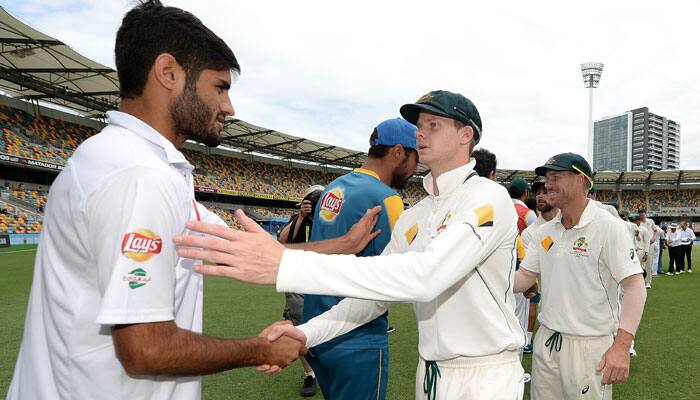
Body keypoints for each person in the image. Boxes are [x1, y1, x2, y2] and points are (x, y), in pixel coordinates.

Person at [7, 2, 308, 399]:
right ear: (168, 73)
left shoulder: (130, 161)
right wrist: (258, 349)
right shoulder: (139, 176)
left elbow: (252, 250)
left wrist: (347, 248)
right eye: (219, 87)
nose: (229, 107)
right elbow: (145, 349)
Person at [176, 90, 527, 400]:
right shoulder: (413, 217)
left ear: (467, 135)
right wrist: (305, 333)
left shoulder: (489, 197)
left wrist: (287, 264)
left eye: (434, 124)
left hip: (485, 375)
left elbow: (426, 277)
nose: (421, 131)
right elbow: (371, 301)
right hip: (432, 373)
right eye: (420, 124)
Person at [296, 118, 418, 400]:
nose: (414, 170)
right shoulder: (386, 198)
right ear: (398, 152)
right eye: (415, 159)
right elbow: (399, 269)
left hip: (316, 328)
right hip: (356, 336)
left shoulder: (333, 188)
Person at [514, 153, 646, 400]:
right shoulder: (546, 231)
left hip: (589, 347)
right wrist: (481, 280)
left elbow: (635, 287)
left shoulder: (607, 227)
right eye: (547, 178)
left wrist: (622, 345)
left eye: (556, 177)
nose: (548, 185)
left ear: (581, 180)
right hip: (548, 340)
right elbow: (523, 277)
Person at [278, 184, 325, 397]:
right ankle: (310, 374)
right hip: (297, 280)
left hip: (323, 280)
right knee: (298, 327)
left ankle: (325, 368)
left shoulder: (328, 219)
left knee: (327, 325)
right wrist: (300, 216)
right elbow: (282, 241)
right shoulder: (296, 218)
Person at [630, 214, 652, 288]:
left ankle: (647, 282)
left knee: (644, 267)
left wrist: (646, 253)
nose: (635, 222)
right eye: (633, 220)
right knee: (634, 268)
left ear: (639, 221)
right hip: (632, 251)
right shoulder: (630, 228)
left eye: (636, 220)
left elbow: (647, 241)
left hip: (641, 251)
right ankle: (637, 283)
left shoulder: (643, 229)